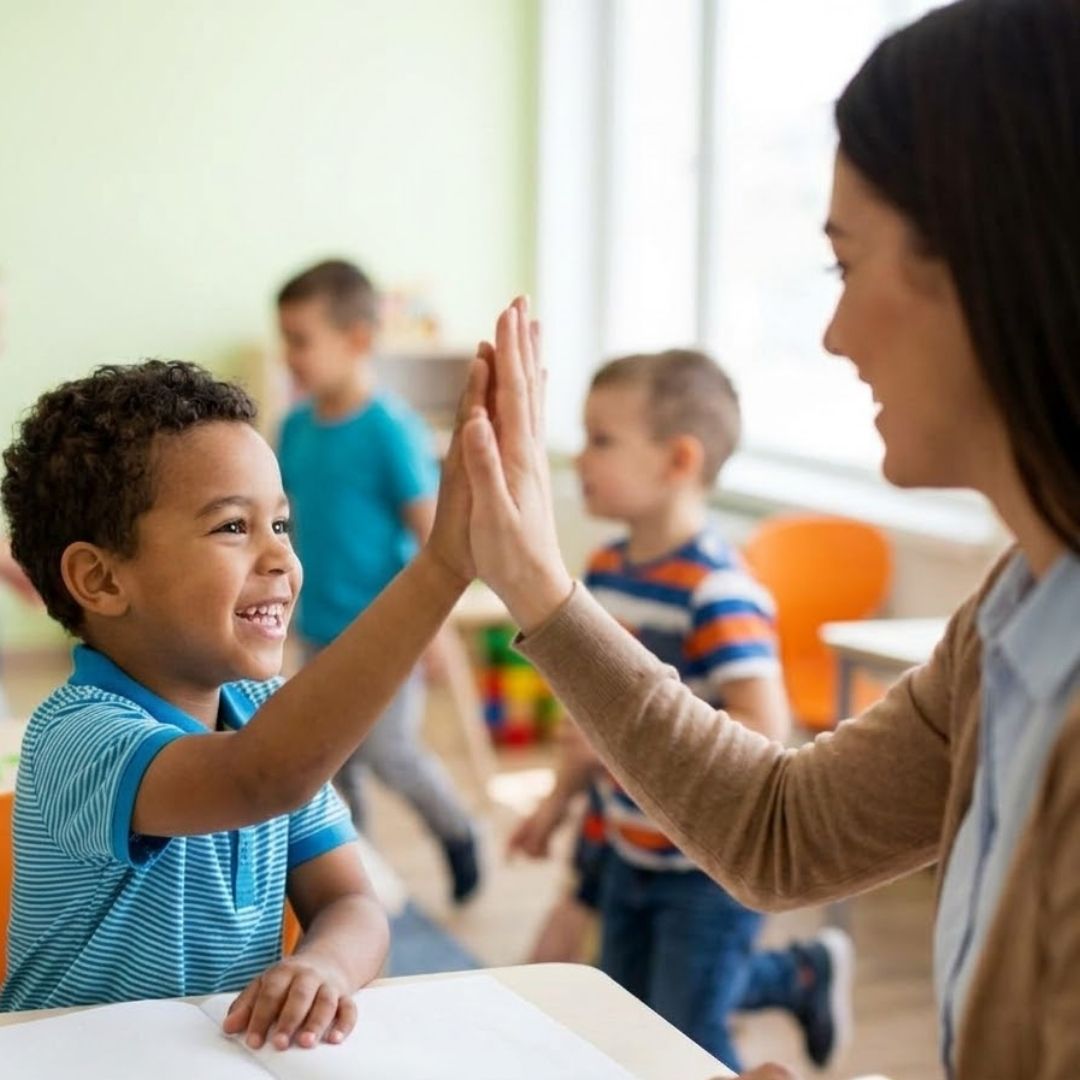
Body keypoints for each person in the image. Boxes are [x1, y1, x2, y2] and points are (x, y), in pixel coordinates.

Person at [460, 4, 1080, 1077]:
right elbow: (783, 831)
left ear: (989, 259)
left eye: (846, 267)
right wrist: (539, 586)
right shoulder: (1010, 620)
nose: (835, 337)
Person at [0, 356, 483, 1051]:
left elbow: (353, 903)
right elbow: (260, 777)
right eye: (233, 527)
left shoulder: (263, 710)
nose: (281, 559)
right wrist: (440, 567)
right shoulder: (79, 737)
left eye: (281, 526)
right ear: (100, 579)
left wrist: (323, 964)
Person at [507, 350, 852, 1071]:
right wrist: (557, 809)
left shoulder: (718, 590)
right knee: (634, 1025)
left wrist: (650, 745)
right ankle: (803, 973)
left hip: (707, 870)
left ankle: (802, 972)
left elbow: (766, 731)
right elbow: (590, 731)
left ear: (678, 460)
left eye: (602, 439)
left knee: (691, 1035)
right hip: (630, 854)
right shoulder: (599, 574)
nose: (581, 458)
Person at [275, 258, 480, 903]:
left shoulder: (390, 430)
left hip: (387, 638)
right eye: (284, 338)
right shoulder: (295, 430)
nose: (290, 356)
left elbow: (432, 537)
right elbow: (285, 528)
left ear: (357, 339)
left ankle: (457, 831)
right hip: (321, 634)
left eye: (301, 339)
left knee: (392, 754)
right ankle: (354, 884)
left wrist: (435, 634)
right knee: (332, 767)